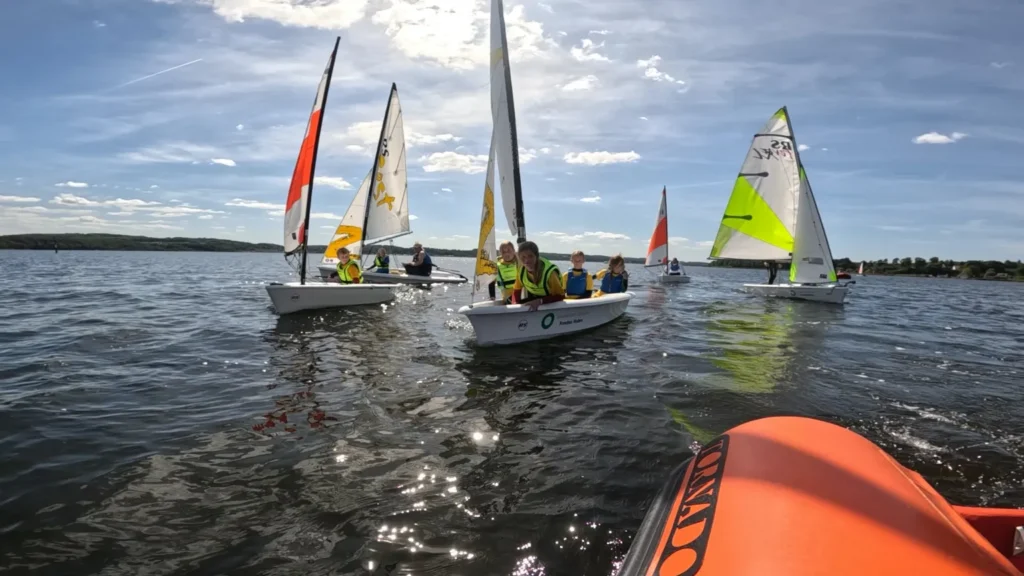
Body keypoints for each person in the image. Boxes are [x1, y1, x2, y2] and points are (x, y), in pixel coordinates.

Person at [509, 241, 564, 310]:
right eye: (523, 257)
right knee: (508, 301)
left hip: (550, 301)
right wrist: (515, 304)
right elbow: (517, 290)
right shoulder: (521, 271)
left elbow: (560, 296)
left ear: (537, 256)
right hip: (534, 298)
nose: (527, 261)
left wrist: (540, 301)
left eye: (530, 256)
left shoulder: (550, 272)